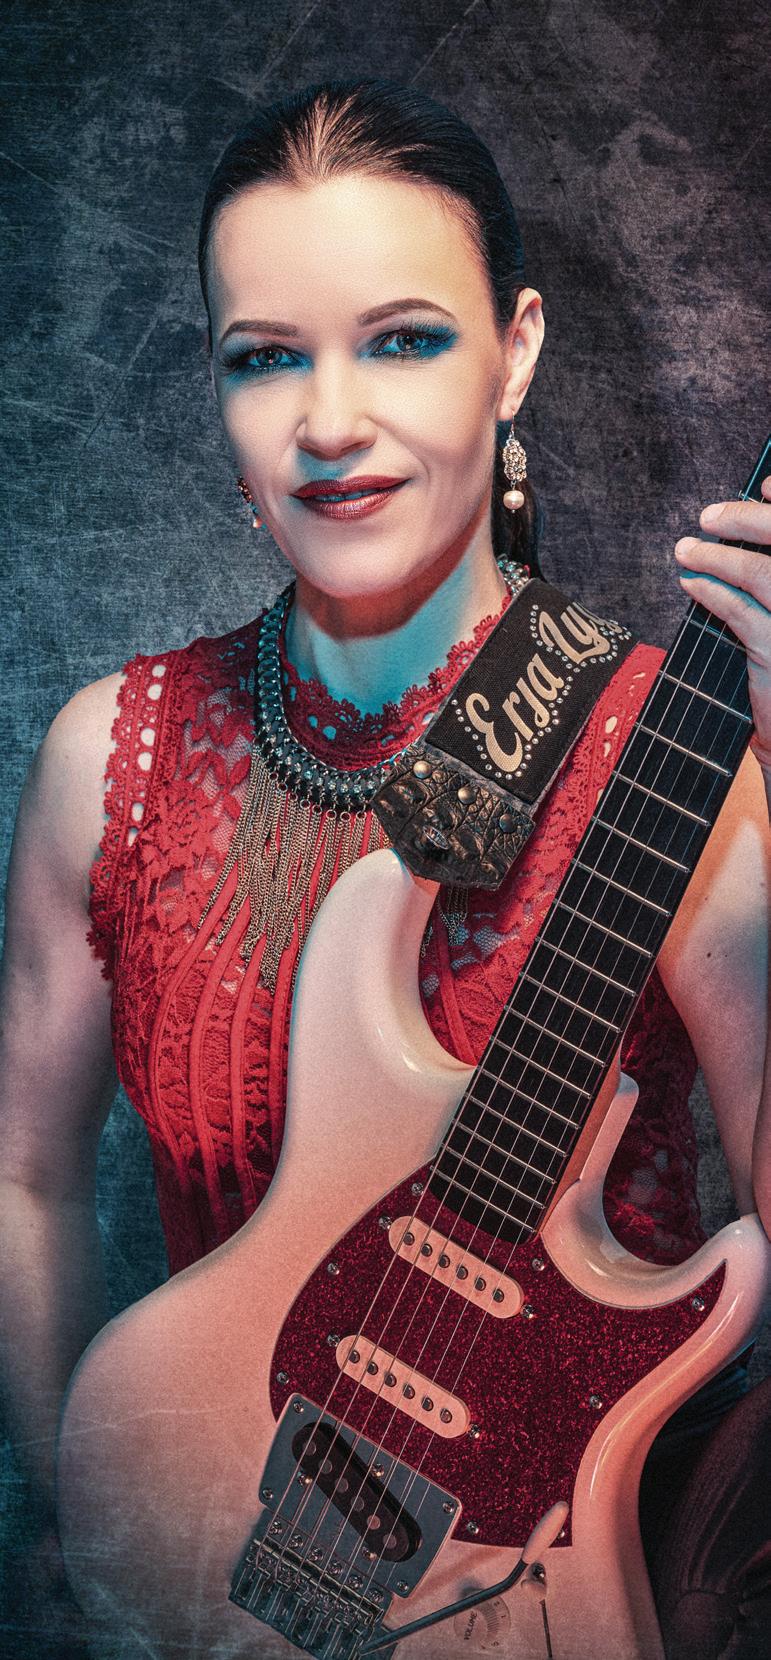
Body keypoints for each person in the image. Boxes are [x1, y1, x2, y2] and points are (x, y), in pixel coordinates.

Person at [0, 76, 769, 1659]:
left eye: (402, 339)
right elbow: (26, 1175)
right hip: (210, 1568)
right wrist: (100, 1520)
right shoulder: (107, 758)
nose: (330, 423)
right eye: (265, 356)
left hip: (528, 1590)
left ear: (517, 352)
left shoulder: (675, 755)